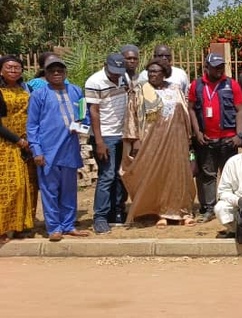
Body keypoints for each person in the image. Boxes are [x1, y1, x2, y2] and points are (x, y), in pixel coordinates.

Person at [122, 58, 196, 227]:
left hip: (176, 139)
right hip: (151, 141)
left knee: (178, 175)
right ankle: (160, 212)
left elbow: (184, 113)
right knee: (157, 175)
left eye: (156, 72)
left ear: (165, 73)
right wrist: (135, 141)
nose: (153, 74)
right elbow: (131, 117)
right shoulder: (140, 90)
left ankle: (182, 211)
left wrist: (188, 138)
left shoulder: (175, 89)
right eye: (150, 71)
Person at [26, 56, 89, 241]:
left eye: (59, 70)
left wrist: (80, 126)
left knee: (69, 190)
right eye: (52, 71)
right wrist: (36, 151)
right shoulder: (39, 94)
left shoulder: (76, 91)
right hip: (48, 151)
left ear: (65, 73)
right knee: (50, 191)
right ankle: (54, 227)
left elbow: (83, 118)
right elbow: (32, 125)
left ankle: (68, 225)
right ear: (45, 74)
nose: (56, 74)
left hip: (70, 150)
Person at [189, 52, 242, 223]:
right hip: (206, 139)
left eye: (221, 66)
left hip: (229, 139)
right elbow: (191, 108)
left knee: (231, 175)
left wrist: (239, 135)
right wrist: (197, 132)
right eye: (215, 67)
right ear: (207, 67)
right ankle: (208, 208)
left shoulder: (231, 84)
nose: (219, 70)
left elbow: (240, 110)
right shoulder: (197, 85)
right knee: (207, 175)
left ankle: (233, 207)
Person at [84, 53, 129, 233]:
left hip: (122, 134)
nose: (116, 75)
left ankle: (116, 212)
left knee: (120, 175)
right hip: (106, 136)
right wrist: (100, 141)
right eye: (113, 72)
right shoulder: (94, 81)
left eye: (119, 72)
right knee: (107, 176)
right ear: (105, 66)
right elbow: (93, 112)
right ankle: (100, 217)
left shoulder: (123, 77)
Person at [0, 56, 37, 241]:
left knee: (28, 185)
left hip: (27, 143)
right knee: (9, 186)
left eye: (17, 68)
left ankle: (21, 225)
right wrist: (17, 140)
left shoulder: (25, 89)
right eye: (9, 67)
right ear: (1, 70)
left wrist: (28, 140)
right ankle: (3, 228)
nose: (14, 71)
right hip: (6, 144)